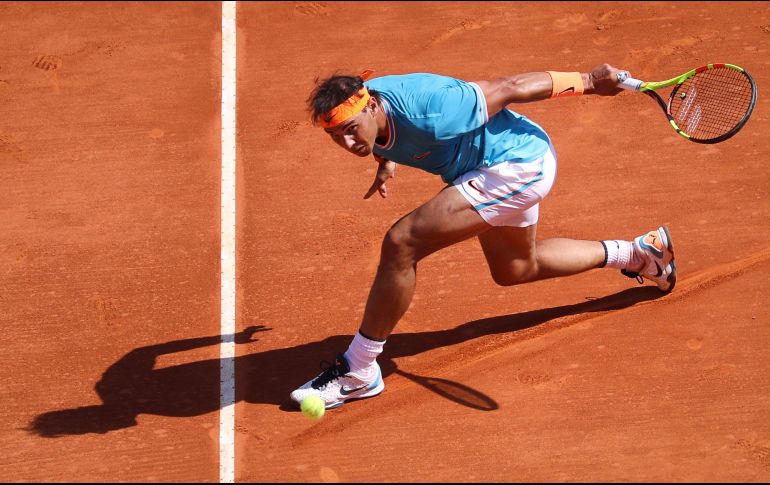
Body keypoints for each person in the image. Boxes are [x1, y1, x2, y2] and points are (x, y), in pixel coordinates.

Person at [290, 64, 676, 410]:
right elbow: (389, 134)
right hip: (486, 166)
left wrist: (591, 81)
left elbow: (510, 86)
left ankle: (359, 371)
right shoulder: (371, 108)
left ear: (372, 107)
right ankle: (641, 254)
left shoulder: (436, 109)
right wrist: (386, 158)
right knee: (516, 269)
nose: (347, 143)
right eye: (336, 136)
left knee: (402, 242)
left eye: (351, 131)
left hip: (514, 165)